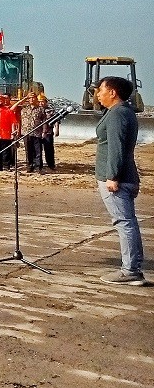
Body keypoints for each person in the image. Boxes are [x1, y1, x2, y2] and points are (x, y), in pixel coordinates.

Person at [93, 75, 145, 285]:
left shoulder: (117, 114)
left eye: (100, 90)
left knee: (124, 223)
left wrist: (112, 176)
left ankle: (130, 270)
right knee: (128, 222)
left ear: (112, 92)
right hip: (125, 177)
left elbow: (117, 147)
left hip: (118, 179)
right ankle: (133, 268)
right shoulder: (120, 112)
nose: (97, 94)